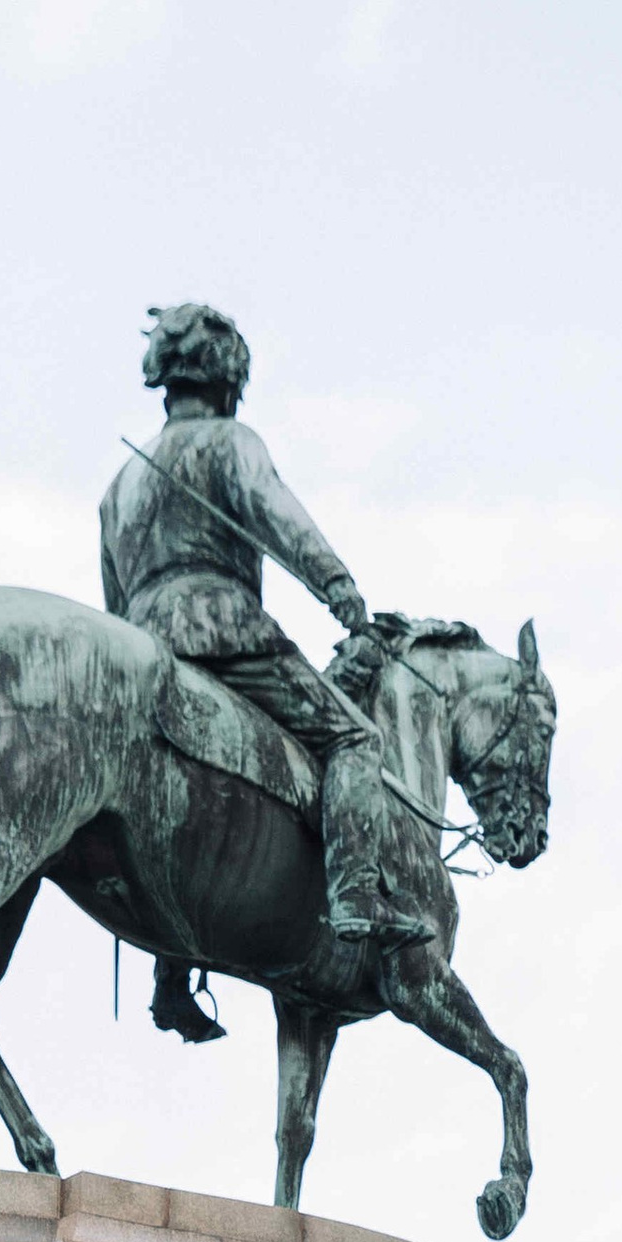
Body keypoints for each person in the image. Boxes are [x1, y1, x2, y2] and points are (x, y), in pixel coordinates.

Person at [98, 300, 439, 1041]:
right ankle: (356, 898)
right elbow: (278, 516)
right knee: (354, 741)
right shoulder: (230, 442)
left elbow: (112, 596)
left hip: (145, 648)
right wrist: (339, 588)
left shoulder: (119, 483)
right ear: (226, 378)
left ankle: (172, 980)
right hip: (225, 630)